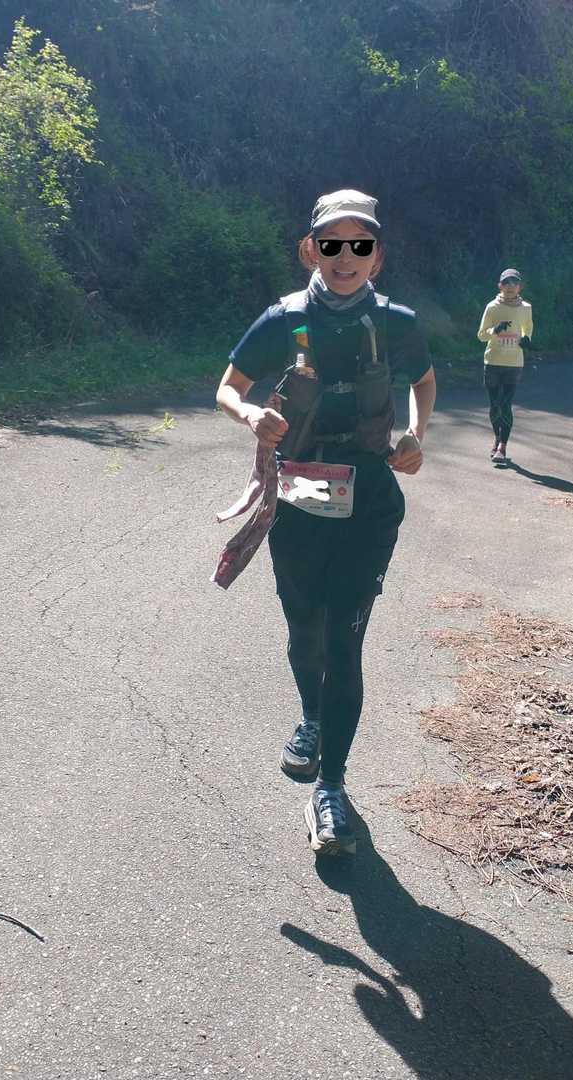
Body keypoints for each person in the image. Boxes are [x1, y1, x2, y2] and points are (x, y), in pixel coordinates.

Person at [215, 189, 436, 857]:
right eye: (332, 242)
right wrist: (251, 415)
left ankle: (330, 787)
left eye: (359, 244)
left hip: (369, 496)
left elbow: (423, 381)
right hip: (299, 491)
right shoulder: (283, 320)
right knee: (304, 625)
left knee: (345, 639)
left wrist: (416, 433)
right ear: (311, 249)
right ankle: (312, 716)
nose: (346, 256)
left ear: (377, 256)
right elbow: (228, 387)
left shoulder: (395, 323)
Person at [476, 268, 533, 465]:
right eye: (506, 282)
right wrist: (494, 330)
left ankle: (502, 446)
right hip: (492, 362)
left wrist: (527, 339)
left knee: (506, 405)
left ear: (520, 287)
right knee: (495, 406)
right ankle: (497, 438)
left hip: (514, 364)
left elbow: (528, 329)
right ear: (499, 286)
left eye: (514, 283)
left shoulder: (526, 308)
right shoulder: (492, 307)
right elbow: (481, 335)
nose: (510, 286)